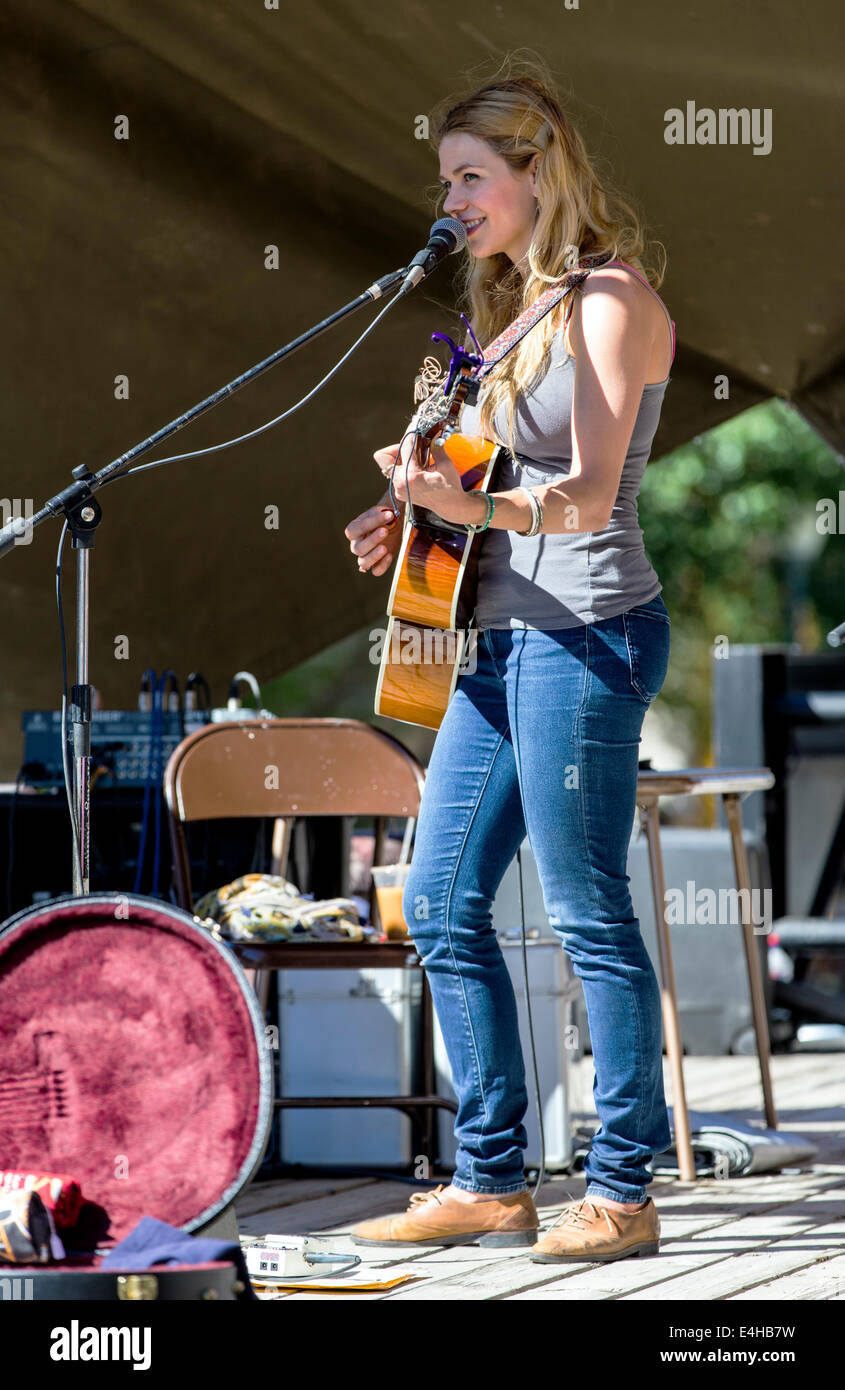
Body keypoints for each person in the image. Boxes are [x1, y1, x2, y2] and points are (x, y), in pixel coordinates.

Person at [344, 63, 674, 1264]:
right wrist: (411, 521)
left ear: (540, 173)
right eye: (444, 182)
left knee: (587, 912)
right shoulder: (507, 317)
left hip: (584, 633)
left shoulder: (605, 300)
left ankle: (621, 1189)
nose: (452, 203)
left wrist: (467, 510)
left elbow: (583, 498)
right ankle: (490, 1178)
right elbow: (480, 492)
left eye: (470, 178)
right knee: (434, 901)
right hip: (495, 640)